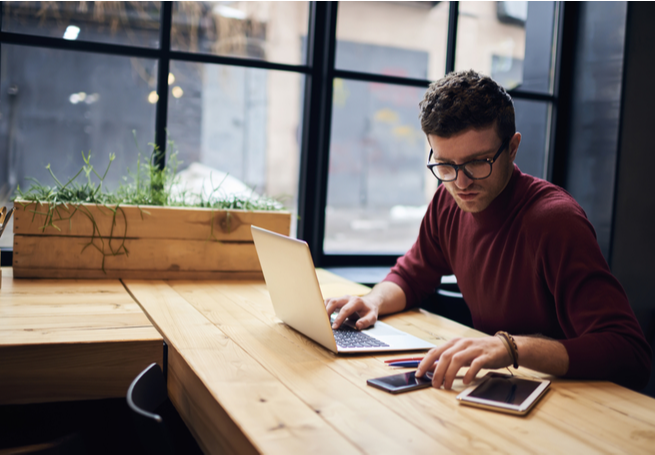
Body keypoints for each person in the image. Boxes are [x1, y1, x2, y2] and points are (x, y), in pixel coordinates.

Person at [325, 70, 652, 391]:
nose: (461, 182)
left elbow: (629, 353)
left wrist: (511, 348)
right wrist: (374, 300)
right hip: (501, 388)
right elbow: (413, 274)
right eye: (445, 165)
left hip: (570, 399)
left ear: (512, 148)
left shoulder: (555, 221)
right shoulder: (447, 200)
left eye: (478, 162)